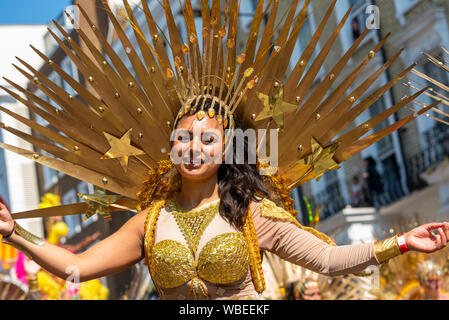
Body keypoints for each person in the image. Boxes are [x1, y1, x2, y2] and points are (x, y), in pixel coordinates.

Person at [0, 0, 446, 300]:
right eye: (184, 138)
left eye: (207, 140)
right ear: (172, 146)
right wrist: (13, 233)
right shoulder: (151, 222)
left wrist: (403, 242)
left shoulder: (252, 213)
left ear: (226, 150)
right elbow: (76, 265)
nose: (193, 148)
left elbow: (329, 259)